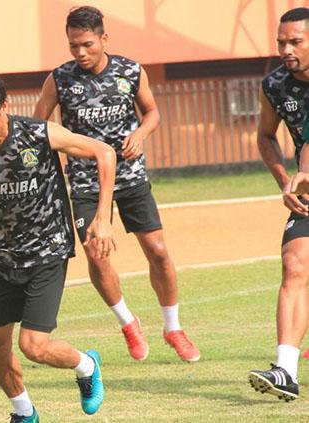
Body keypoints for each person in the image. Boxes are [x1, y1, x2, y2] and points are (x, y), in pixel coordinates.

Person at [0, 72, 115, 421]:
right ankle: (24, 412)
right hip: (1, 254)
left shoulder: (38, 134)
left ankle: (86, 365)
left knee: (33, 346)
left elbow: (105, 152)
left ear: (4, 107)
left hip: (47, 251)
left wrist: (103, 217)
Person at [33, 5, 199, 362]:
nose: (80, 53)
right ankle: (128, 322)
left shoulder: (129, 70)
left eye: (87, 44)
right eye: (73, 45)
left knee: (158, 251)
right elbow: (38, 127)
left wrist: (141, 133)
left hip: (131, 178)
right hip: (85, 185)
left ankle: (173, 327)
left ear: (104, 39)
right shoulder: (59, 79)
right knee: (97, 254)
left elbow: (152, 112)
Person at [249, 7, 309, 402]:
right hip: (306, 185)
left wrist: (303, 171)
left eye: (295, 42)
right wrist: (285, 181)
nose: (286, 49)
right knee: (295, 263)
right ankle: (285, 370)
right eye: (280, 42)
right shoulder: (275, 84)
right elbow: (266, 136)